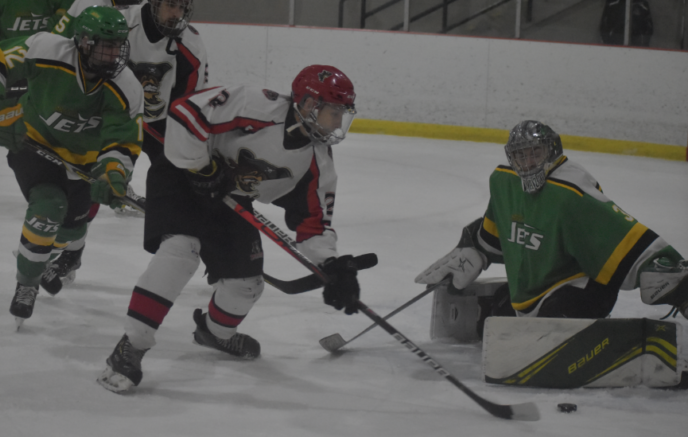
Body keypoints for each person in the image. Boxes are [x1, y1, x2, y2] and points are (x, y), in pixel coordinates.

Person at [97, 65, 363, 393]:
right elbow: (184, 112)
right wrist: (201, 166)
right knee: (180, 251)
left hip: (230, 198)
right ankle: (131, 346)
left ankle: (214, 334)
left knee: (246, 286)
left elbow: (314, 223)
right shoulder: (256, 105)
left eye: (342, 114)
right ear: (309, 105)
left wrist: (333, 266)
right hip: (182, 176)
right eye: (334, 113)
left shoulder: (318, 162)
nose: (338, 123)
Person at [0, 6, 144, 327]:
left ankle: (51, 258)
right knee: (49, 206)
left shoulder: (126, 86)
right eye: (105, 44)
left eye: (118, 45)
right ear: (83, 41)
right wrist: (1, 111)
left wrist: (113, 172)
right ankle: (26, 284)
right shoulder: (45, 48)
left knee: (72, 228)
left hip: (83, 163)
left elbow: (124, 140)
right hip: (34, 143)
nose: (113, 54)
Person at [415, 120, 687, 323]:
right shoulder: (504, 181)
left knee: (543, 329)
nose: (529, 161)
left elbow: (620, 235)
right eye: (521, 155)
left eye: (536, 152)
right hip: (535, 290)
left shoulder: (570, 192)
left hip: (581, 289)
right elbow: (501, 236)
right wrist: (472, 246)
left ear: (551, 150)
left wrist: (672, 279)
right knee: (492, 327)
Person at [42, 0, 206, 294]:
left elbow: (192, 101)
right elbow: (76, 60)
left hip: (161, 123)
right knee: (94, 180)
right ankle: (71, 254)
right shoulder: (118, 24)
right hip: (110, 115)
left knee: (187, 185)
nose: (177, 14)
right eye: (171, 5)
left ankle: (208, 255)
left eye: (182, 7)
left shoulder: (190, 43)